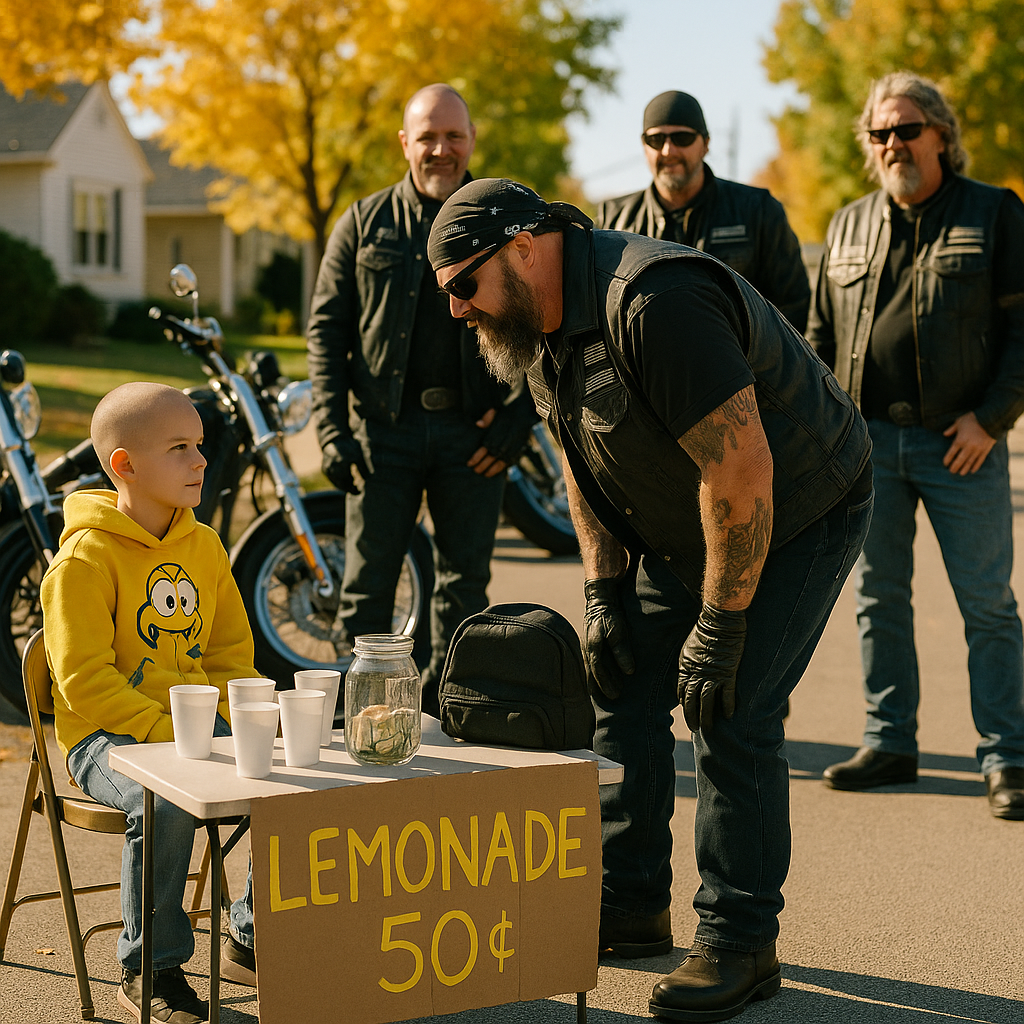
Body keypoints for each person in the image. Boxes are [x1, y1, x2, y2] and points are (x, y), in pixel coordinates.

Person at [427, 178, 873, 1022]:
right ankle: (630, 905)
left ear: (524, 247)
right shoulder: (537, 330)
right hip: (688, 515)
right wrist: (604, 596)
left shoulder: (653, 300)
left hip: (803, 501)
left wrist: (721, 623)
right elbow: (584, 470)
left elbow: (740, 471)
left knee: (730, 706)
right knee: (621, 682)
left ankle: (741, 942)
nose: (456, 309)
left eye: (463, 285)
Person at [808, 73, 1024, 820]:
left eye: (906, 129)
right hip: (866, 448)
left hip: (960, 444)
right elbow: (816, 342)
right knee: (877, 600)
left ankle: (1008, 757)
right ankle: (890, 740)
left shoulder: (994, 213)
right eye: (880, 133)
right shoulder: (847, 224)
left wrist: (991, 420)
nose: (893, 144)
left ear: (940, 133)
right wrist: (826, 437)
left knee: (988, 604)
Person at [306, 84, 537, 716]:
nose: (442, 149)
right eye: (428, 137)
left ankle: (444, 715)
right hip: (383, 436)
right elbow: (325, 331)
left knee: (464, 590)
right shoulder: (361, 224)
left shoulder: (503, 222)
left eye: (454, 136)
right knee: (367, 589)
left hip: (474, 437)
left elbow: (542, 317)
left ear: (471, 141)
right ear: (405, 142)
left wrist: (521, 415)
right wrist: (332, 430)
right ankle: (367, 719)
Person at [40, 382, 258, 1023]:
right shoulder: (84, 558)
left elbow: (228, 657)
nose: (200, 461)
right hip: (105, 738)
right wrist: (166, 734)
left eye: (199, 445)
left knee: (293, 770)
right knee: (163, 798)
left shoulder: (207, 546)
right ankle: (152, 967)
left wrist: (238, 725)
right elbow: (82, 680)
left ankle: (250, 930)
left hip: (187, 726)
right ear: (125, 466)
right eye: (180, 449)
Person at [595, 90, 811, 332]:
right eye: (656, 140)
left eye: (682, 138)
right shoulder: (612, 221)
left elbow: (794, 306)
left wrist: (750, 365)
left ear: (705, 144)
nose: (668, 151)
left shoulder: (756, 210)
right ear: (644, 146)